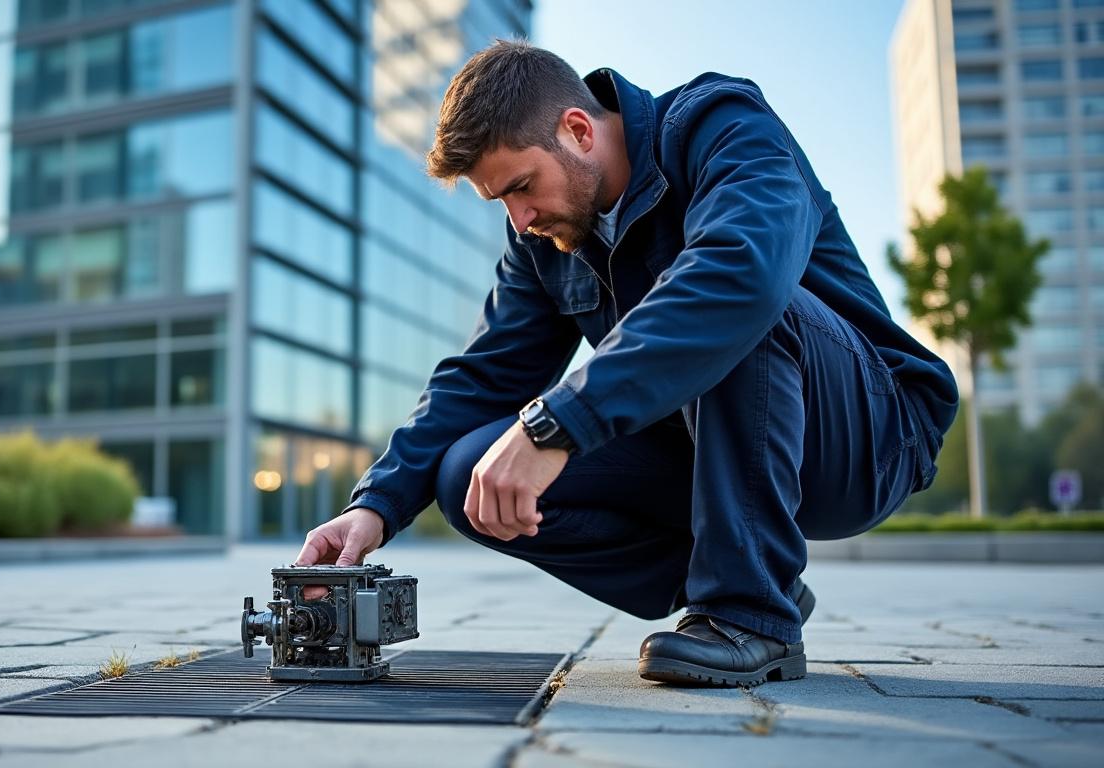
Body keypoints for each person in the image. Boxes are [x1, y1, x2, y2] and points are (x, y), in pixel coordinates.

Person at [292, 40, 957, 687]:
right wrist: (375, 506)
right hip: (709, 445)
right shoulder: (543, 239)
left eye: (523, 187)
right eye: (502, 202)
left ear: (578, 130)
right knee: (470, 474)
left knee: (730, 304)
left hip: (869, 434)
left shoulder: (720, 126)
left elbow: (744, 276)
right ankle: (750, 571)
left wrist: (556, 425)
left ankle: (749, 611)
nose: (520, 220)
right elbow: (486, 373)